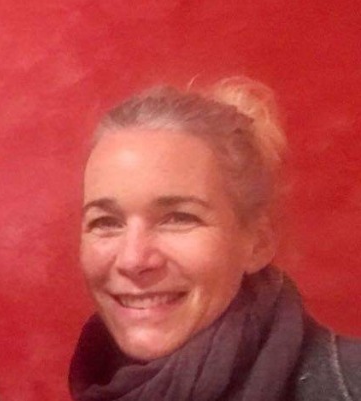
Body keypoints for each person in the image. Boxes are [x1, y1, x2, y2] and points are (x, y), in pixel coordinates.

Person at [69, 77, 361, 401]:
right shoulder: (95, 381)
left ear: (258, 243)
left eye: (179, 218)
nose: (133, 259)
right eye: (106, 222)